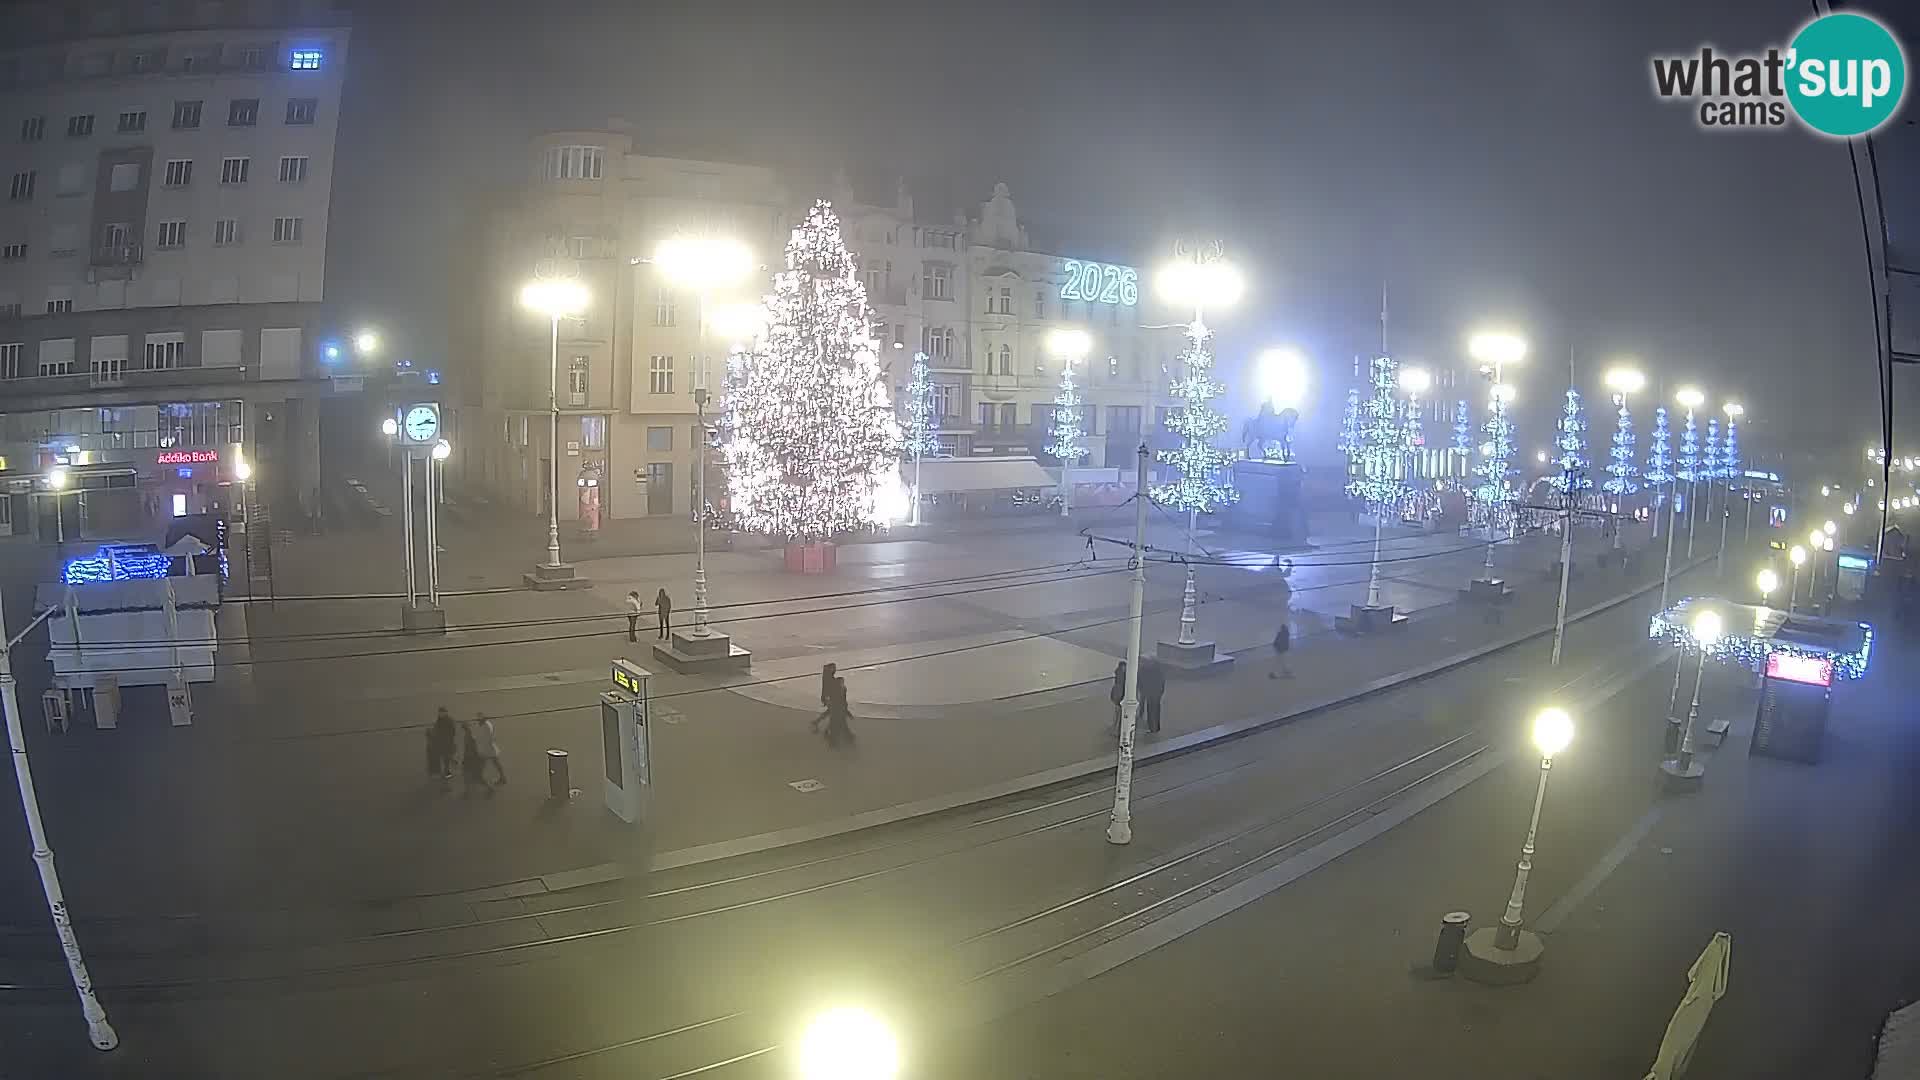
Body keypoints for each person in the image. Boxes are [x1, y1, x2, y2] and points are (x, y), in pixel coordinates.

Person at [471, 712, 506, 785]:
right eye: (478, 717)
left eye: (480, 717)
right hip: (486, 748)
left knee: (486, 763)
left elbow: (489, 737)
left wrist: (482, 745)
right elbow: (478, 735)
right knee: (495, 763)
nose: (478, 718)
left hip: (488, 748)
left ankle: (481, 779)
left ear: (483, 717)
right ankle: (502, 778)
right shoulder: (479, 724)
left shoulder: (487, 725)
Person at [822, 673, 854, 747]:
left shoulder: (844, 688)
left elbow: (843, 700)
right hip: (837, 709)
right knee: (837, 724)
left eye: (843, 682)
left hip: (840, 709)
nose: (843, 683)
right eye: (841, 682)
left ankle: (846, 737)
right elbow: (836, 700)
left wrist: (846, 710)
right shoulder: (836, 690)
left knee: (841, 724)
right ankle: (834, 740)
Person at [459, 722, 491, 798]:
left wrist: (466, 759)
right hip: (471, 759)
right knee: (467, 776)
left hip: (473, 760)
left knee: (476, 777)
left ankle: (490, 789)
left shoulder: (471, 738)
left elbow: (472, 750)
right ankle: (467, 792)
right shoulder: (468, 736)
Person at [430, 707, 457, 789]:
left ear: (445, 713)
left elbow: (453, 732)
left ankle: (447, 775)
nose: (440, 714)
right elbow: (436, 728)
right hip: (441, 744)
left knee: (445, 760)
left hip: (447, 744)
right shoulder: (439, 720)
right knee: (445, 758)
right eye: (439, 713)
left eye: (442, 713)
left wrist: (447, 739)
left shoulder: (449, 721)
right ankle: (452, 761)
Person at [1138, 657, 1166, 735]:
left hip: (1151, 693)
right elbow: (1161, 683)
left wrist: (1142, 689)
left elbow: (1142, 681)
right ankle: (1155, 727)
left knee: (1151, 710)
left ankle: (1152, 728)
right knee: (1155, 710)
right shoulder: (1158, 671)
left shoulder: (1145, 670)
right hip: (1155, 694)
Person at [812, 663, 837, 733]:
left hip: (828, 697)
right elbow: (827, 688)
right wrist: (827, 699)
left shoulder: (827, 677)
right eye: (833, 668)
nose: (835, 669)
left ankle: (818, 722)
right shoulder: (828, 678)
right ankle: (827, 728)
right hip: (828, 698)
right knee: (833, 713)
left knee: (830, 712)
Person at [1109, 660, 1128, 734]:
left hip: (1117, 697)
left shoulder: (1118, 675)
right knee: (1119, 714)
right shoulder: (1122, 679)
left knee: (1117, 713)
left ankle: (1114, 727)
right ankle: (1116, 729)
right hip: (1120, 698)